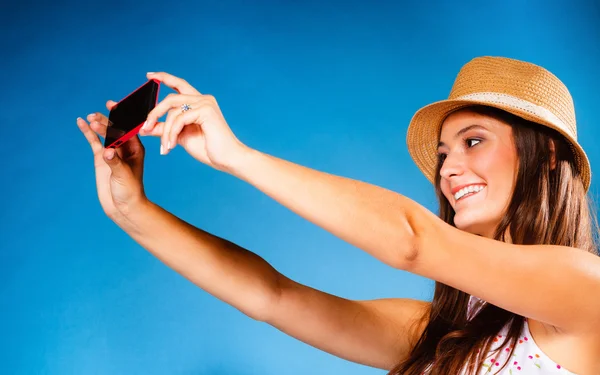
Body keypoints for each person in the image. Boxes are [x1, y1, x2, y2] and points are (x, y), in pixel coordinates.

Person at [76, 56, 600, 374]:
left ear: (547, 155)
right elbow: (271, 296)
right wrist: (132, 212)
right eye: (443, 154)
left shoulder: (585, 289)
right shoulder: (445, 335)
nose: (449, 169)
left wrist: (237, 157)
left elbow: (413, 240)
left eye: (474, 141)